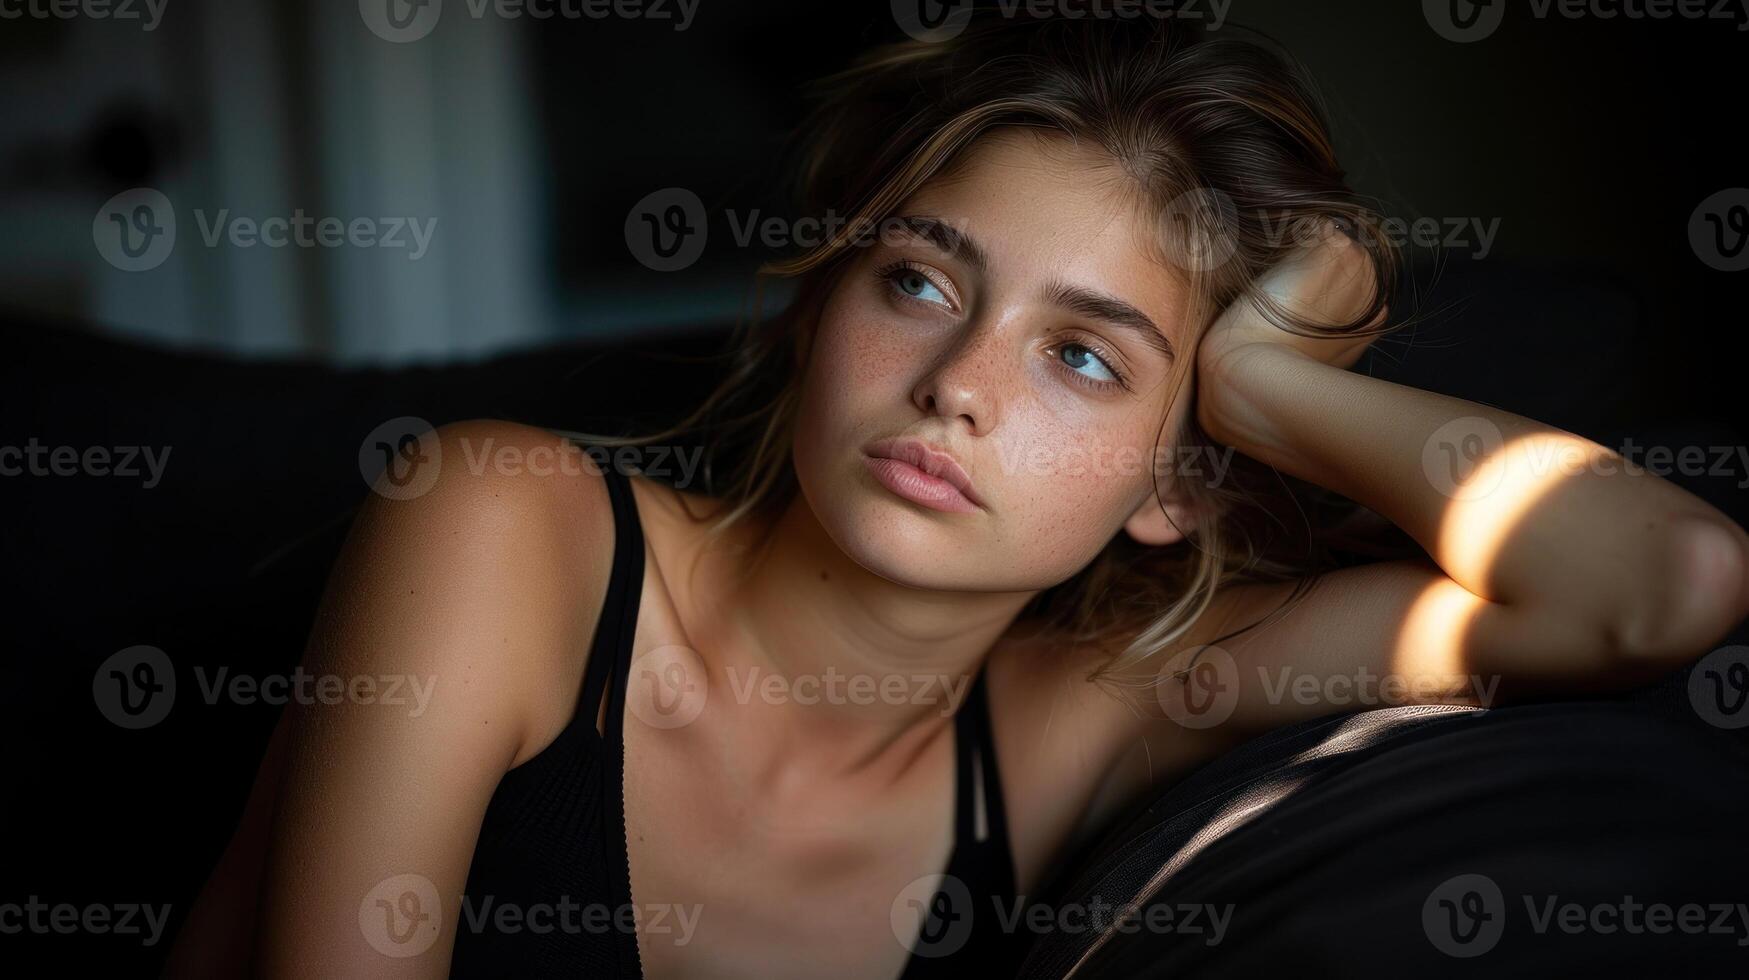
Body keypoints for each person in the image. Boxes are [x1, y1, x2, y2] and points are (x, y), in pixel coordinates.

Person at [164, 13, 1749, 980]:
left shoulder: (1083, 722)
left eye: (1084, 358)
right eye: (922, 281)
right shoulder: (504, 523)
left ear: (1179, 482)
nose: (961, 384)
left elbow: (1657, 588)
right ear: (820, 305)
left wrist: (1272, 387)